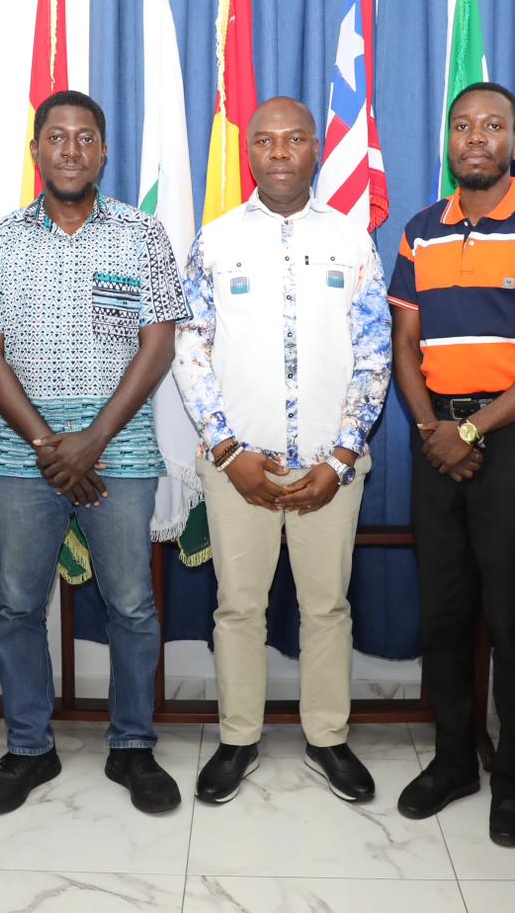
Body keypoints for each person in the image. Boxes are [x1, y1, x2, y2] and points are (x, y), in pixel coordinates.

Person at [0, 90, 189, 815]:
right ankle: (29, 747)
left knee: (132, 607)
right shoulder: (1, 240)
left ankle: (132, 745)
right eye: (56, 137)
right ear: (36, 151)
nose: (71, 150)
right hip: (25, 454)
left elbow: (157, 348)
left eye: (86, 137)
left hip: (120, 450)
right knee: (19, 606)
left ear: (104, 152)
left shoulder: (142, 235)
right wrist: (49, 447)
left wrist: (92, 442)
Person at [388, 82, 515, 846]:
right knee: (443, 615)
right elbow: (405, 345)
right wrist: (432, 429)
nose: (475, 136)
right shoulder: (419, 232)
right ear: (449, 141)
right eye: (462, 125)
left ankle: (513, 780)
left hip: (513, 443)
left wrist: (472, 430)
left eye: (492, 126)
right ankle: (453, 762)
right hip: (435, 439)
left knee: (512, 618)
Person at [172, 96, 391, 805]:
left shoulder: (352, 241)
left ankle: (327, 737)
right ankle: (238, 739)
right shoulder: (215, 242)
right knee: (238, 608)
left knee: (326, 607)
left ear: (314, 150)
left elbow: (375, 354)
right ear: (250, 153)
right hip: (240, 466)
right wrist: (227, 450)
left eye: (294, 139)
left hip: (331, 467)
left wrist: (340, 459)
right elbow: (189, 349)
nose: (279, 152)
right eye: (265, 140)